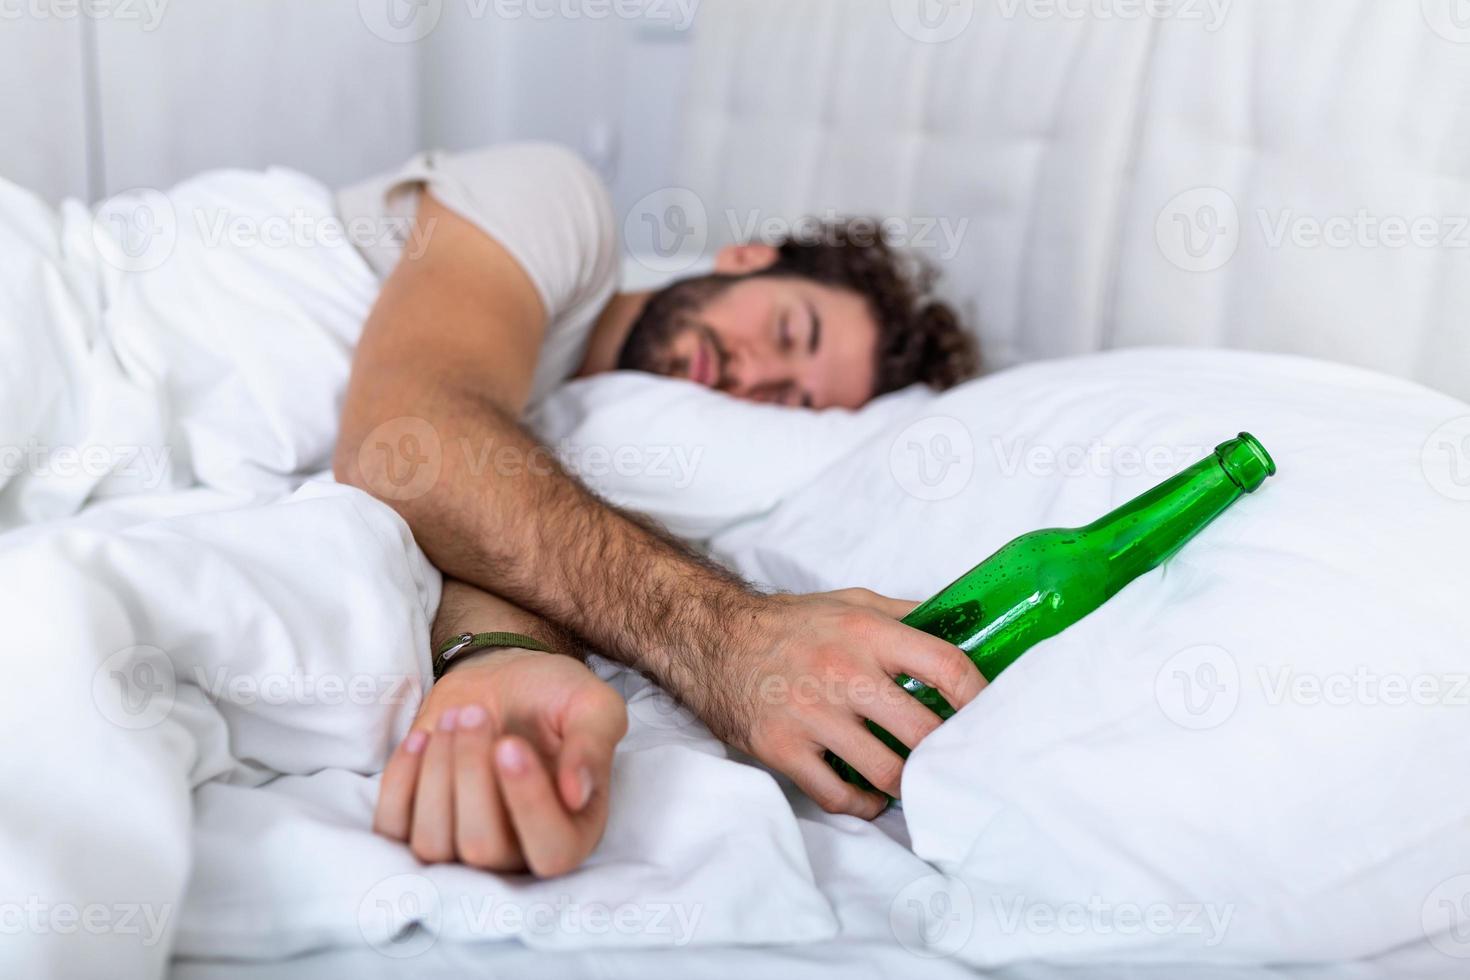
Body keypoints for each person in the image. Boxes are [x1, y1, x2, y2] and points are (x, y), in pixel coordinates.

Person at [333, 142, 985, 878]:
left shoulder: (569, 432)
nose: (756, 374)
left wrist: (505, 655)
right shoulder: (553, 201)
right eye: (787, 331)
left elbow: (490, 524)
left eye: (791, 402)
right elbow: (404, 446)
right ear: (744, 259)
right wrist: (732, 642)